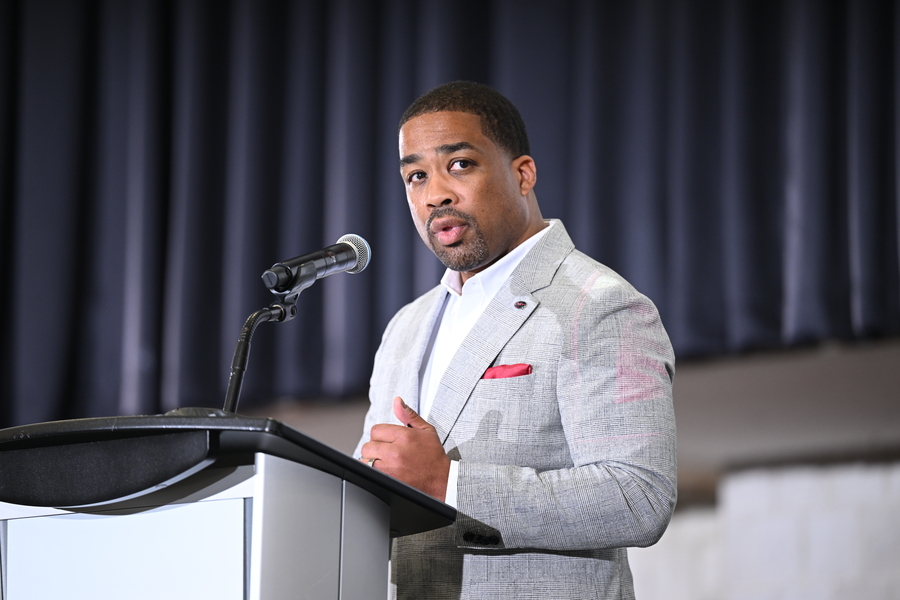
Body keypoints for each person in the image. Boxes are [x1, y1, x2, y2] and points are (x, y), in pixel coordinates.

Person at [354, 81, 676, 599]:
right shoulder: (406, 327)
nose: (434, 193)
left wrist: (449, 485)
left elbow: (638, 496)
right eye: (415, 176)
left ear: (522, 173)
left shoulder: (599, 304)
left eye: (459, 164)